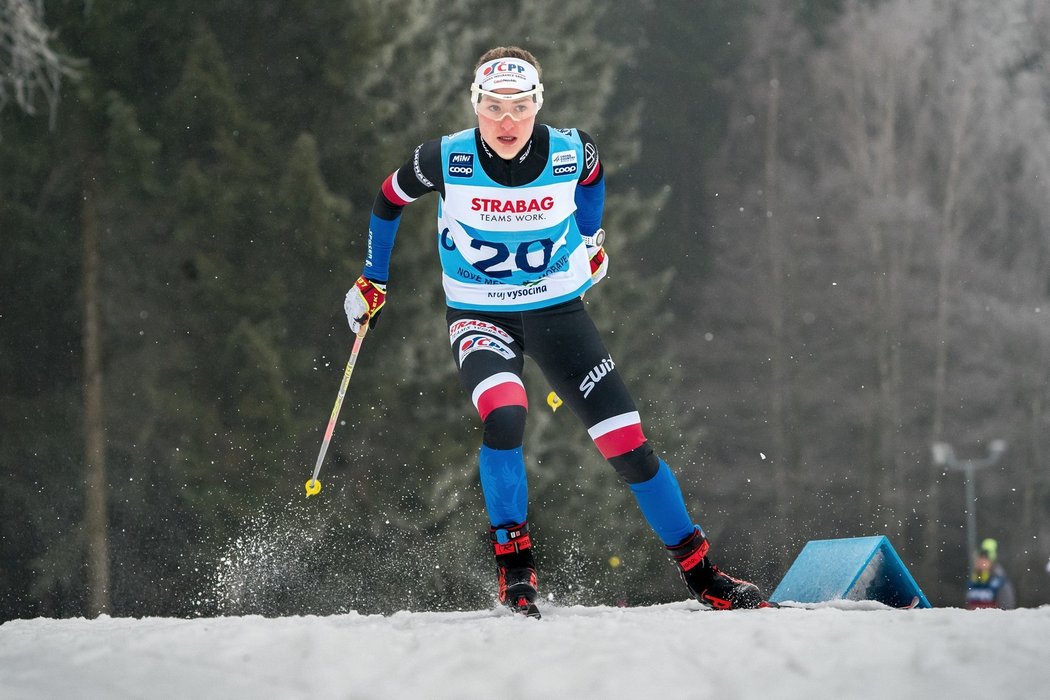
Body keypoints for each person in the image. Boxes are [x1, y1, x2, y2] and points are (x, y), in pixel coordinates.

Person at [343, 46, 764, 616]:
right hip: (480, 314)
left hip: (558, 313)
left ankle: (703, 574)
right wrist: (373, 278)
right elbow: (388, 199)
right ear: (476, 106)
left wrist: (592, 240)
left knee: (629, 447)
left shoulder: (570, 151)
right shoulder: (445, 159)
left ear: (538, 104)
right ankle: (516, 568)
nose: (508, 121)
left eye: (521, 106)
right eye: (494, 107)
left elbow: (594, 179)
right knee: (506, 413)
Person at [965, 537, 1016, 610]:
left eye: (984, 559)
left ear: (991, 562)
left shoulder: (1000, 583)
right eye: (979, 559)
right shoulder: (972, 582)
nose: (981, 562)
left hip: (993, 621)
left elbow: (1007, 608)